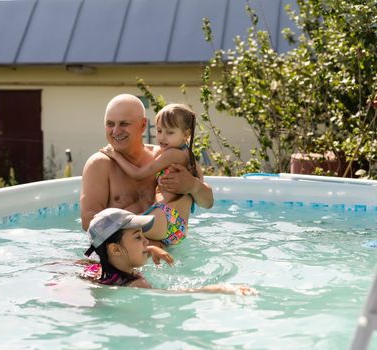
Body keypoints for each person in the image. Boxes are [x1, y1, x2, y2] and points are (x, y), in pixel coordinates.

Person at [80, 94, 213, 232]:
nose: (116, 131)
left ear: (143, 125)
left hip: (168, 245)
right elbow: (89, 222)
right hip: (127, 251)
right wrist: (140, 243)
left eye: (124, 124)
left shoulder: (163, 156)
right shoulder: (99, 164)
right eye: (110, 124)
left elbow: (208, 203)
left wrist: (193, 186)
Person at [81, 208, 256, 295]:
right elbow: (174, 295)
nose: (146, 241)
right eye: (137, 237)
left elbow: (123, 256)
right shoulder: (136, 284)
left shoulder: (97, 270)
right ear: (115, 249)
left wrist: (150, 249)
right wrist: (219, 289)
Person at [100, 103, 197, 247]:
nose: (162, 137)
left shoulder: (172, 154)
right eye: (159, 131)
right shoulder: (188, 155)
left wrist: (115, 155)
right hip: (178, 225)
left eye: (170, 133)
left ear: (186, 134)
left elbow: (138, 174)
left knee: (110, 228)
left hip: (163, 216)